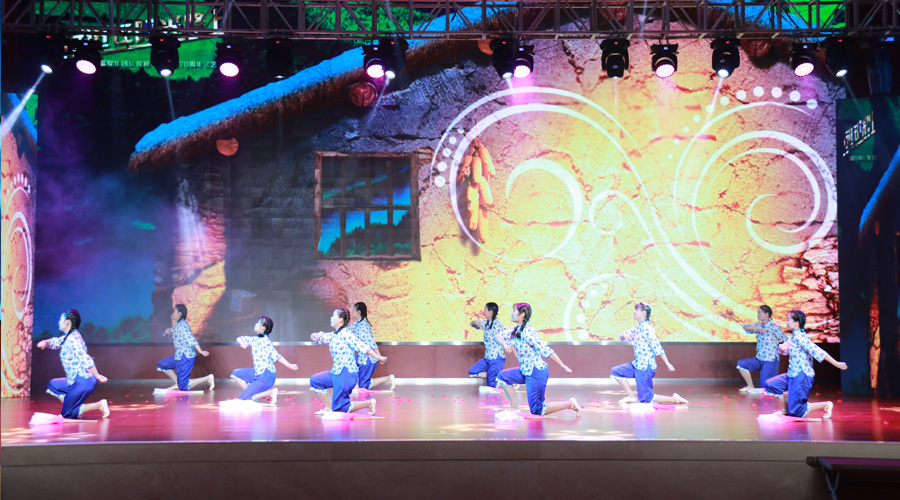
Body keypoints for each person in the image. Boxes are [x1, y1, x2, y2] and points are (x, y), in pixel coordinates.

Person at [496, 303, 580, 416]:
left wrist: (562, 365)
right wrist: (506, 344)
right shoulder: (516, 329)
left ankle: (570, 403)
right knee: (502, 376)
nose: (512, 313)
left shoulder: (528, 332)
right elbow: (497, 337)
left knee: (537, 410)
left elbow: (545, 349)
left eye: (514, 311)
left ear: (522, 314)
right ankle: (514, 408)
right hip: (526, 370)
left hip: (536, 372)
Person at [764, 310, 848, 418]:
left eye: (788, 320)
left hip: (801, 375)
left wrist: (836, 363)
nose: (786, 322)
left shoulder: (801, 338)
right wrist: (781, 348)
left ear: (796, 323)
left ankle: (826, 405)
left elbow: (817, 351)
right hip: (792, 374)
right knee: (772, 384)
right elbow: (783, 349)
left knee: (796, 411)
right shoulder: (794, 337)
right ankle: (786, 410)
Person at [310, 307, 386, 415]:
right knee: (316, 381)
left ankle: (369, 403)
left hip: (346, 374)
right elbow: (321, 337)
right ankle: (329, 408)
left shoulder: (346, 334)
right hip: (337, 372)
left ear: (340, 320)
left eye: (333, 316)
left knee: (340, 408)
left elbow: (362, 346)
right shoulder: (334, 335)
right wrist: (315, 336)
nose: (331, 318)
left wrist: (378, 357)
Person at [37, 309, 110, 419]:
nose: (59, 322)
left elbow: (85, 358)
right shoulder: (69, 337)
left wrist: (98, 375)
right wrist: (46, 342)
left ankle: (98, 405)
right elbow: (56, 341)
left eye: (61, 320)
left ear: (67, 322)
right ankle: (70, 407)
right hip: (76, 380)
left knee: (66, 414)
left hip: (83, 381)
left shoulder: (72, 339)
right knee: (54, 385)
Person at [611, 302, 688, 405]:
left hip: (645, 366)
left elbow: (656, 346)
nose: (634, 311)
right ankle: (632, 397)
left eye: (636, 309)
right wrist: (623, 336)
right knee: (616, 371)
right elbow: (624, 336)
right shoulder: (638, 327)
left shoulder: (647, 329)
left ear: (643, 312)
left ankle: (675, 399)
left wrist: (667, 363)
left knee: (645, 398)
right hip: (638, 364)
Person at [231, 316, 299, 403]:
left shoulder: (265, 341)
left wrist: (289, 365)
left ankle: (269, 393)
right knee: (236, 373)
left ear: (263, 328)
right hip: (259, 374)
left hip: (266, 376)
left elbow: (276, 356)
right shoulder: (255, 340)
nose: (256, 324)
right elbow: (240, 338)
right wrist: (242, 343)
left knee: (243, 398)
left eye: (258, 323)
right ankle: (252, 396)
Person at [157, 304, 214, 391]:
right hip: (179, 356)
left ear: (180, 313)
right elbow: (170, 332)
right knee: (162, 365)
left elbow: (191, 339)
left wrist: (200, 351)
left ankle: (207, 378)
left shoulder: (182, 326)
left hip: (185, 357)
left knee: (183, 386)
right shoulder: (178, 325)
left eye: (174, 312)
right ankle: (177, 383)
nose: (172, 314)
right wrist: (165, 332)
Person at [737, 305, 788, 392]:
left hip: (770, 359)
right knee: (741, 364)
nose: (758, 315)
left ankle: (784, 390)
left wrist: (782, 349)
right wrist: (757, 328)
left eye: (759, 313)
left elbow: (786, 341)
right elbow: (745, 326)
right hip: (759, 359)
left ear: (766, 314)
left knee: (764, 387)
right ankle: (750, 386)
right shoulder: (758, 325)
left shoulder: (775, 328)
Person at [350, 302, 394, 391]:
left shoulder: (363, 325)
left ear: (358, 312)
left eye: (353, 310)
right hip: (363, 357)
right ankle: (356, 385)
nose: (352, 312)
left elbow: (371, 342)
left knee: (363, 385)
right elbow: (347, 330)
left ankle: (388, 378)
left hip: (368, 358)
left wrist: (379, 356)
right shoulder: (358, 323)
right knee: (349, 361)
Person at [467, 302, 506, 388]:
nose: (483, 311)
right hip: (488, 357)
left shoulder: (498, 326)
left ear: (490, 312)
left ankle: (501, 380)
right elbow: (473, 324)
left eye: (485, 309)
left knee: (491, 385)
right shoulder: (487, 323)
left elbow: (503, 339)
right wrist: (475, 323)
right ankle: (500, 379)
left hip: (495, 358)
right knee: (473, 371)